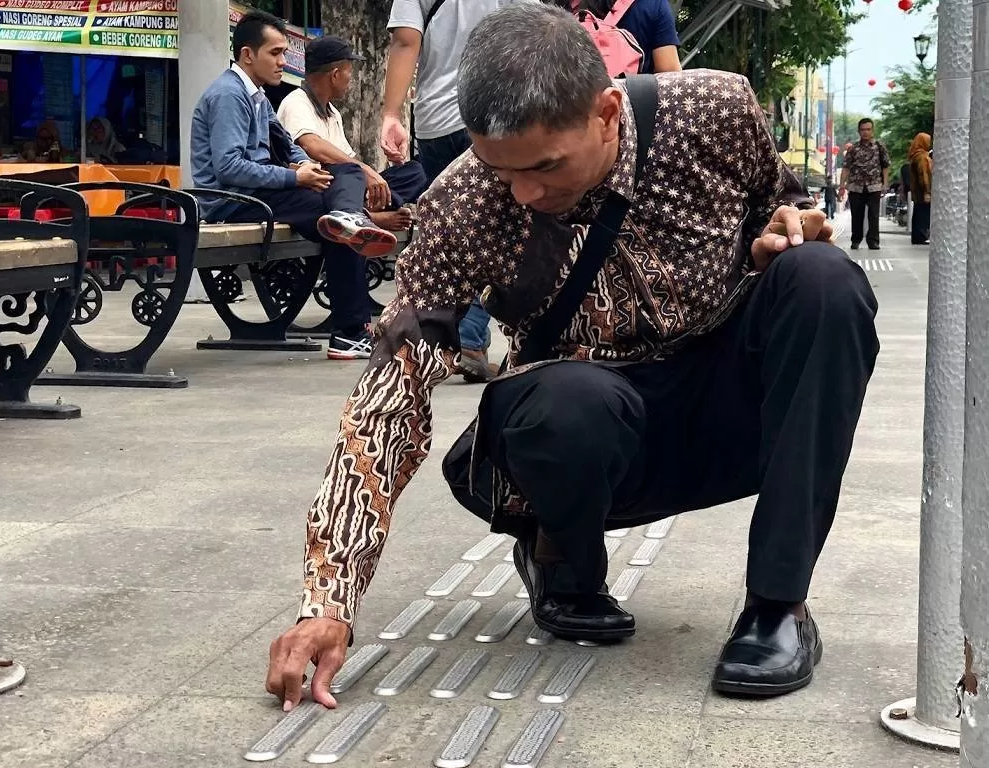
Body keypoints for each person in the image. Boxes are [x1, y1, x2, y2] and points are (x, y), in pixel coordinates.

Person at [267, 4, 879, 711]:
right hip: (583, 430)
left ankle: (778, 606)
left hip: (726, 404)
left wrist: (786, 230)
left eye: (547, 165)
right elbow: (390, 398)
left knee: (826, 282)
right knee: (569, 406)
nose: (525, 192)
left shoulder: (714, 109)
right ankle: (563, 560)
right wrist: (330, 599)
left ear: (608, 111)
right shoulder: (461, 204)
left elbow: (780, 205)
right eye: (503, 170)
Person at [190, 11, 398, 360]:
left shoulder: (256, 95)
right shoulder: (229, 95)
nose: (283, 62)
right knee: (342, 209)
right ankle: (350, 331)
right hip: (233, 201)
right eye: (275, 53)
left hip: (260, 193)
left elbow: (288, 144)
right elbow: (229, 168)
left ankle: (348, 224)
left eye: (284, 53)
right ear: (247, 55)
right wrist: (294, 177)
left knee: (345, 179)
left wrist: (304, 163)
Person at [380, 0, 512, 383]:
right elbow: (533, 33)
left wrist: (391, 115)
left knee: (450, 233)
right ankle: (469, 336)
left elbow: (406, 42)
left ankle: (433, 339)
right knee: (501, 231)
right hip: (496, 114)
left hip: (437, 122)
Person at [276, 36, 427, 233]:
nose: (351, 79)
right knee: (350, 174)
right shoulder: (296, 102)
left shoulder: (333, 113)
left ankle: (361, 210)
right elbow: (311, 144)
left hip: (345, 188)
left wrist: (374, 178)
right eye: (350, 72)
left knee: (415, 172)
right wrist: (365, 170)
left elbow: (349, 162)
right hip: (315, 190)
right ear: (336, 75)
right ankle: (365, 216)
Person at [554, 0, 683, 73]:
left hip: (569, 114)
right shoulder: (653, 4)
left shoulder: (557, 8)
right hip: (629, 114)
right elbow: (670, 75)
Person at [839, 118, 890, 250]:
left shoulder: (879, 146)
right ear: (859, 131)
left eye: (868, 129)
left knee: (873, 215)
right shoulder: (853, 149)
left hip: (874, 186)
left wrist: (885, 183)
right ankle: (856, 240)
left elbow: (885, 166)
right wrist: (841, 186)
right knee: (856, 215)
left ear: (872, 130)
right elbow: (846, 168)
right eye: (863, 130)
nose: (865, 132)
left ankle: (873, 241)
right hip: (856, 187)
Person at [907, 132, 932, 245]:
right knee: (923, 214)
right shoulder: (922, 157)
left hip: (917, 191)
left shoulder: (915, 156)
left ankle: (917, 237)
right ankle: (921, 236)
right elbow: (924, 175)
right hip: (922, 192)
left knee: (917, 213)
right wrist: (927, 191)